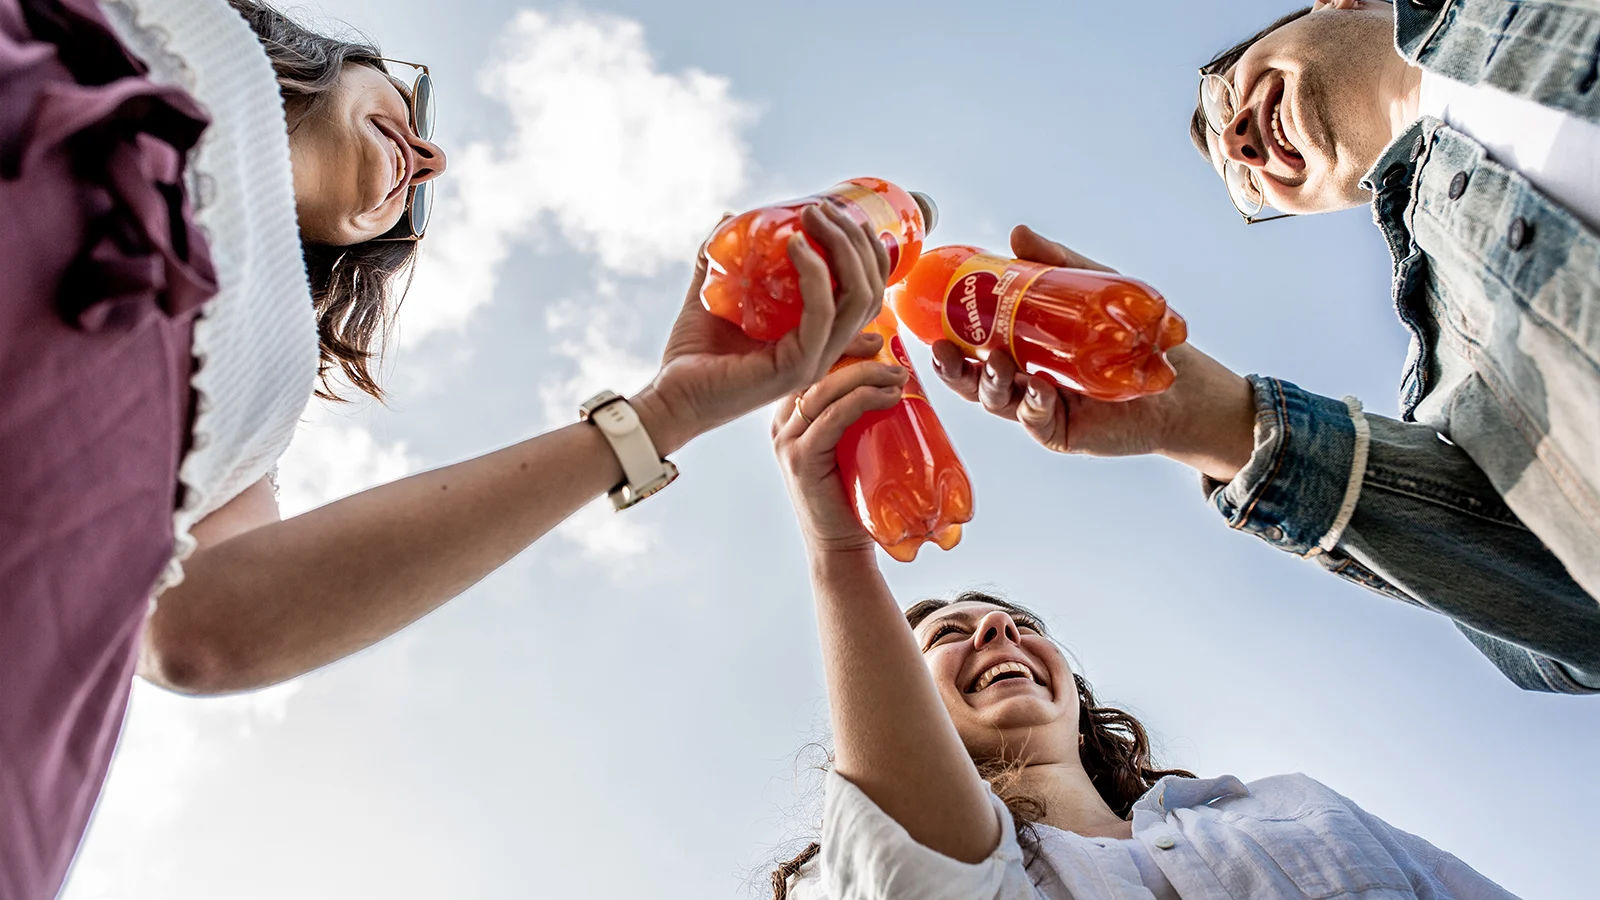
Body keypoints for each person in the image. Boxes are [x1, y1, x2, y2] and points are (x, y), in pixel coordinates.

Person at [0, 0, 892, 896]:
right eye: (414, 111)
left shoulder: (260, 382)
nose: (429, 158)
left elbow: (198, 632)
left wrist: (664, 416)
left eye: (413, 204)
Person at [928, 0, 1600, 694]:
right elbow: (1569, 625)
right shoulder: (1451, 388)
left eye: (1226, 95)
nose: (1244, 143)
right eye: (1248, 186)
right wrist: (1206, 420)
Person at [765, 363, 1519, 899]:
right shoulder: (855, 877)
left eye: (1023, 626)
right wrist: (839, 555)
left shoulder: (1296, 808)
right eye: (947, 636)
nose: (998, 628)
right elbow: (925, 868)